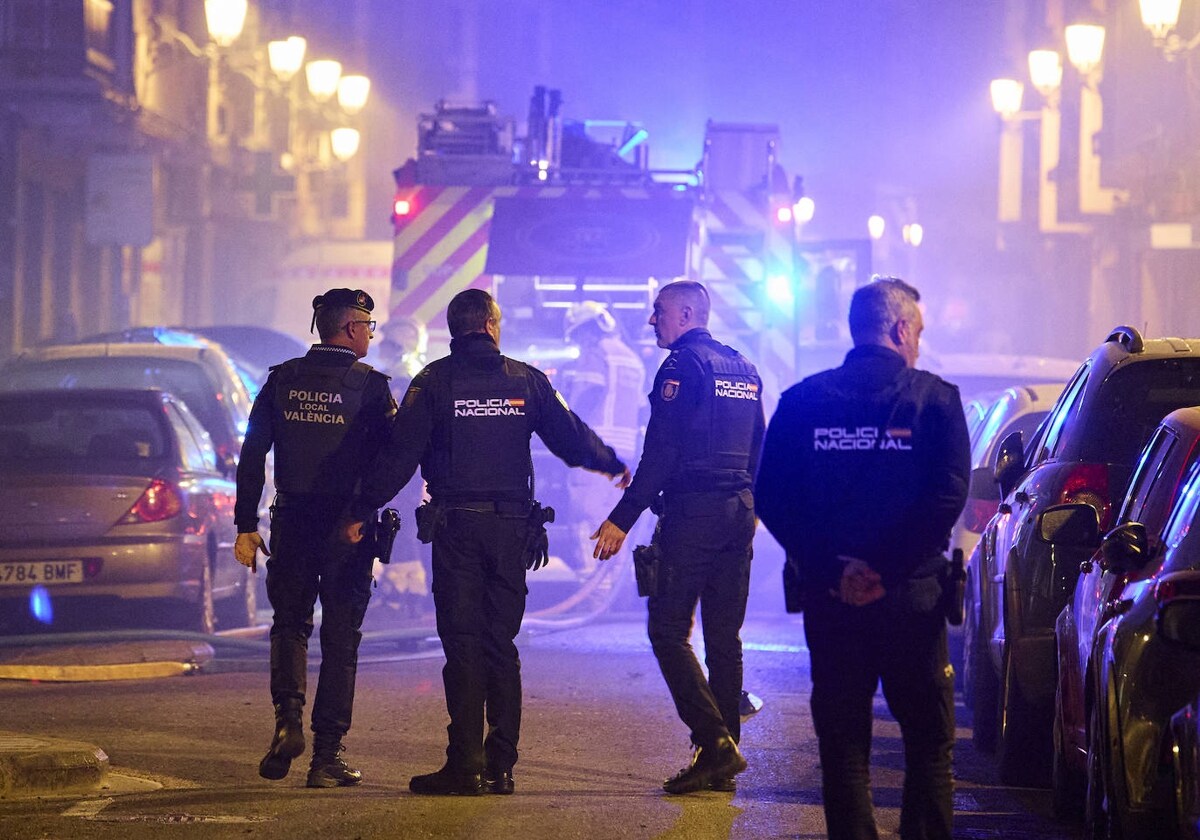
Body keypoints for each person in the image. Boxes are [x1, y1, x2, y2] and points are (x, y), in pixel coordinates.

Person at [355, 288, 630, 796]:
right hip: (511, 532)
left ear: (456, 328)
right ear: (491, 326)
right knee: (500, 645)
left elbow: (399, 458)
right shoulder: (526, 379)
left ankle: (465, 765)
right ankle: (501, 767)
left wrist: (359, 507)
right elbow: (570, 437)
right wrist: (611, 462)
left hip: (457, 529)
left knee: (462, 646)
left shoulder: (433, 381)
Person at [754, 276, 970, 840]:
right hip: (913, 604)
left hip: (833, 603)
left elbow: (774, 496)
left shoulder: (802, 402)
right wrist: (889, 571)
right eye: (917, 330)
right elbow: (945, 498)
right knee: (928, 746)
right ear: (900, 329)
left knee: (845, 749)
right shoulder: (936, 401)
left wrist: (834, 571)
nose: (919, 343)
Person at [591, 280, 764, 794]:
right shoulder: (744, 368)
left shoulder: (680, 368)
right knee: (723, 640)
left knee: (667, 632)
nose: (652, 321)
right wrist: (749, 505)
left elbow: (661, 454)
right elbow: (759, 447)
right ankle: (725, 755)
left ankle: (714, 744)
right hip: (739, 514)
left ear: (686, 313)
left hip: (695, 515)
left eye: (658, 312)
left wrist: (622, 518)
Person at [233, 288, 397, 788]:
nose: (370, 334)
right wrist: (363, 510)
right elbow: (392, 459)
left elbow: (252, 452)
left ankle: (287, 723)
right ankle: (326, 757)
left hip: (292, 520)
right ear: (350, 329)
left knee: (289, 626)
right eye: (368, 325)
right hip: (348, 529)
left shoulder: (282, 380)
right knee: (341, 638)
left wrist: (245, 525)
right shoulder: (369, 387)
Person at [560, 301, 646, 576]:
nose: (580, 341)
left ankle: (593, 590)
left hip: (595, 453)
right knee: (615, 522)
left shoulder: (595, 355)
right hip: (625, 457)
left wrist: (564, 425)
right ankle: (611, 587)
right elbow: (642, 409)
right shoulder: (632, 359)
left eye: (580, 334)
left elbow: (587, 395)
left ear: (591, 330)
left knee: (586, 519)